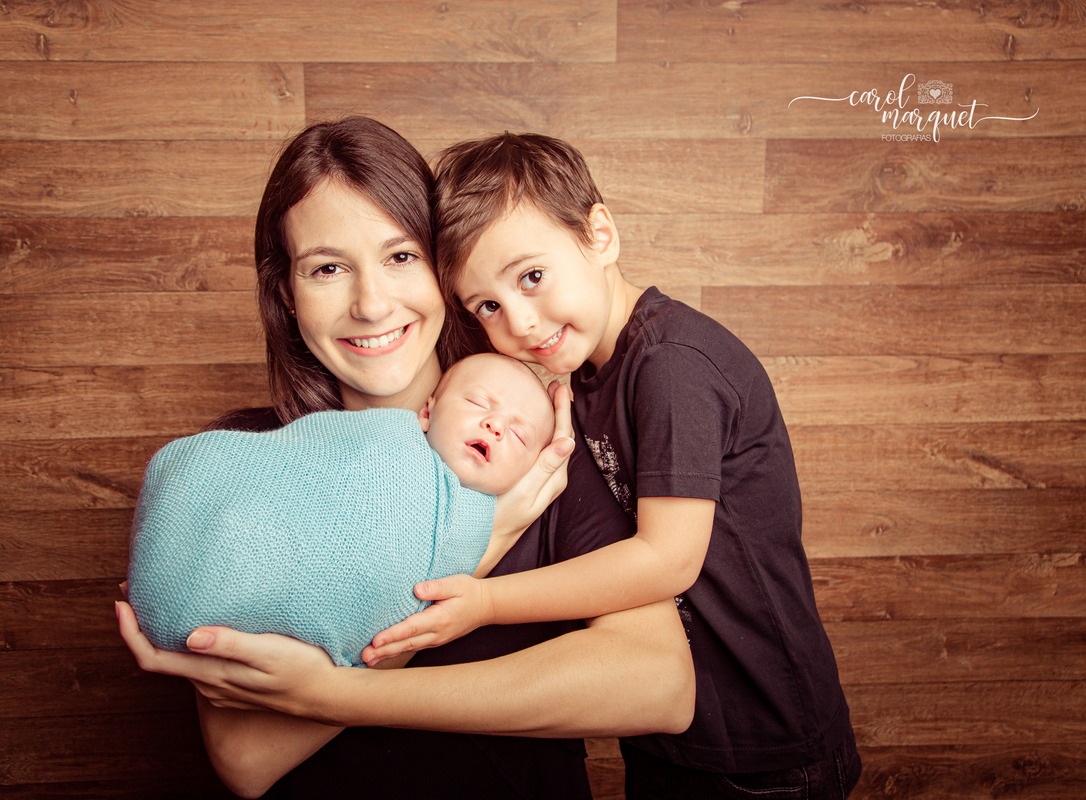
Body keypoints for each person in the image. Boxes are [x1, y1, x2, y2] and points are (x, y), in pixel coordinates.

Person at [115, 117, 694, 800]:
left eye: (400, 257)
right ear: (286, 295)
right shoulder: (253, 463)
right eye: (328, 268)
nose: (370, 303)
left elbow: (660, 686)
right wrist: (479, 543)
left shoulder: (536, 451)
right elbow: (247, 759)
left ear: (445, 272)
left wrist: (336, 693)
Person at [364, 131, 860, 799]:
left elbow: (667, 560)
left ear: (600, 235)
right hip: (672, 741)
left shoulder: (671, 364)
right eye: (489, 306)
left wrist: (484, 602)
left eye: (532, 277)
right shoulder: (581, 379)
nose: (521, 322)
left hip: (766, 743)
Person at [127, 353, 555, 666]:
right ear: (427, 411)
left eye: (519, 435)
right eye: (479, 403)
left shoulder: (484, 523)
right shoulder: (385, 434)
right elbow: (307, 459)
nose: (496, 426)